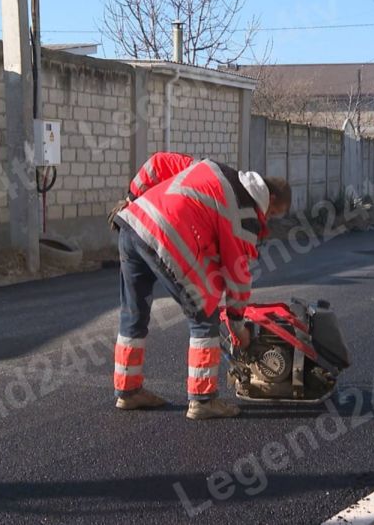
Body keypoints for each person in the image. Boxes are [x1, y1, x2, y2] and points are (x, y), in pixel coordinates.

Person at [108, 152, 292, 420]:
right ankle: (203, 400)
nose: (269, 217)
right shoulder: (246, 215)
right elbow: (238, 276)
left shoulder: (210, 167)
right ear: (271, 198)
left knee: (133, 314)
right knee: (205, 317)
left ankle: (128, 391)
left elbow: (158, 162)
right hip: (166, 237)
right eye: (273, 213)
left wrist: (131, 197)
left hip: (133, 223)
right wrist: (237, 325)